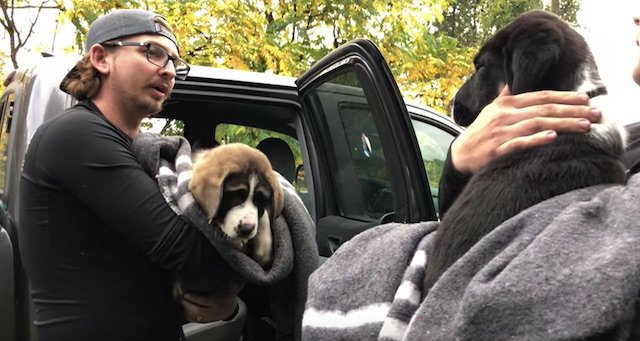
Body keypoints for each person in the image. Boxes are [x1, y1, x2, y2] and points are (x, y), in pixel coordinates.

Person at [19, 9, 237, 340]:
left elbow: (134, 272)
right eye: (153, 52)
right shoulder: (76, 134)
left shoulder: (134, 149)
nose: (168, 71)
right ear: (101, 58)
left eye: (174, 63)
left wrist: (221, 303)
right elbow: (184, 251)